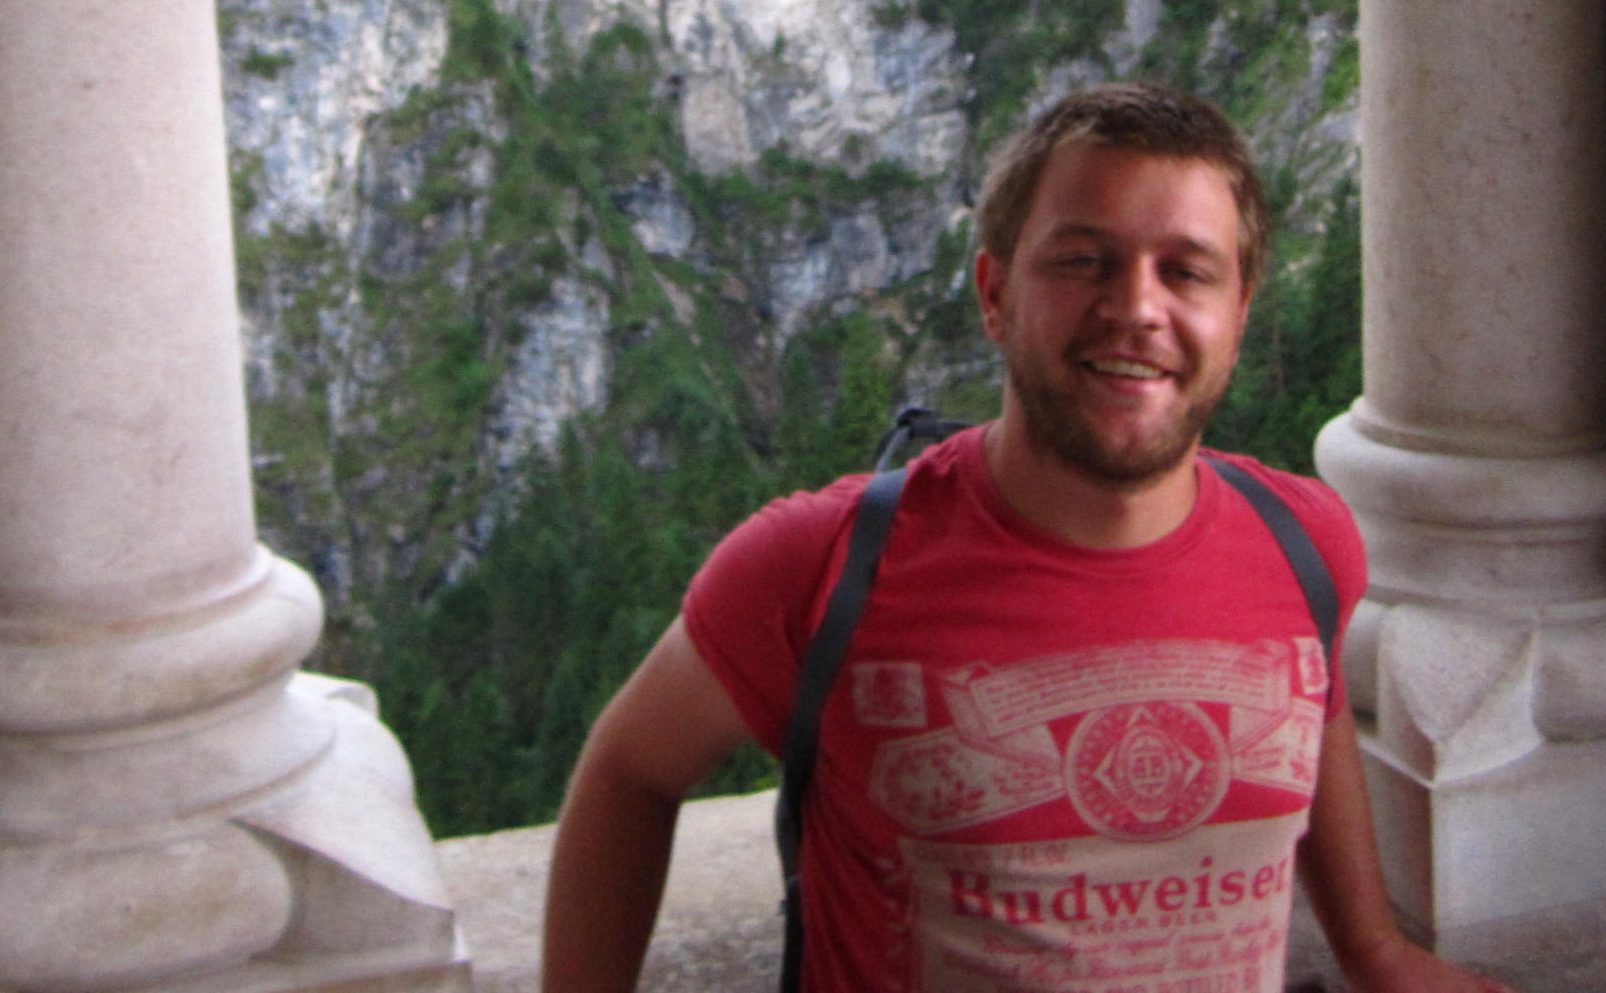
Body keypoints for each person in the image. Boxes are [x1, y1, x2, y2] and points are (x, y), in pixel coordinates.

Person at [539, 83, 1510, 993]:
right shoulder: (820, 564)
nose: (1136, 308)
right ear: (995, 294)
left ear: (1239, 313)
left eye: (1186, 272)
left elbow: (1311, 701)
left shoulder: (1304, 542)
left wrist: (1374, 948)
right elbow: (631, 769)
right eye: (1083, 261)